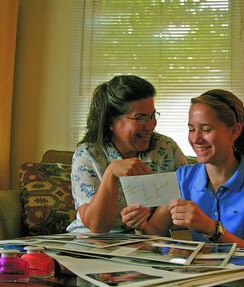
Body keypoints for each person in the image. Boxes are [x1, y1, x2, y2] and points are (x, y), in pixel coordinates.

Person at [122, 89, 244, 250]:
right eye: (191, 129)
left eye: (206, 129)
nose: (195, 139)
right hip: (198, 272)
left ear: (234, 131)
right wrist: (140, 225)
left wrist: (211, 228)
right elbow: (154, 232)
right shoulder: (182, 177)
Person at [67, 75, 188, 234]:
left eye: (152, 116)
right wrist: (111, 172)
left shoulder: (166, 149)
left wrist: (143, 226)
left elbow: (162, 222)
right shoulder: (87, 154)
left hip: (146, 241)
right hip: (91, 241)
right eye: (140, 118)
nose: (151, 125)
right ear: (111, 121)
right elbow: (97, 227)